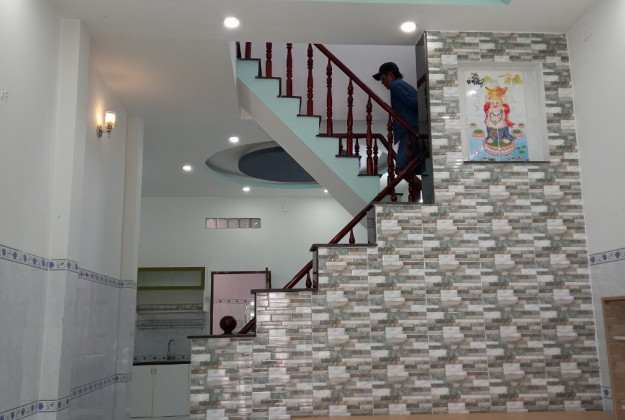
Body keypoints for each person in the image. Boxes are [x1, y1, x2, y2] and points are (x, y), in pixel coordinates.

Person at [373, 62, 424, 202]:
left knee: (400, 169)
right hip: (412, 131)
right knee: (409, 170)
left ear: (390, 75)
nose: (382, 83)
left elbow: (415, 103)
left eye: (382, 78)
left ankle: (426, 188)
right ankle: (415, 203)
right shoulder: (402, 85)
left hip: (410, 132)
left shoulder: (396, 85)